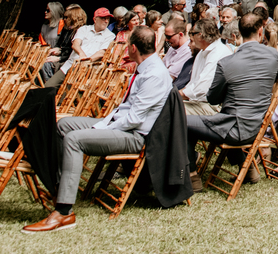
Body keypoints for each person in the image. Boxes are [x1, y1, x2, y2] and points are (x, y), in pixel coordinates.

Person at [22, 26, 172, 234]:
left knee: (74, 139)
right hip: (119, 124)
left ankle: (64, 211)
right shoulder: (145, 66)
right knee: (64, 125)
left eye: (128, 45)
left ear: (133, 48)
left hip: (135, 136)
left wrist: (102, 126)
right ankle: (59, 186)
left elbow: (134, 119)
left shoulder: (154, 74)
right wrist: (103, 123)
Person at [186, 13, 278, 190]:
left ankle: (192, 177)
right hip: (259, 126)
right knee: (223, 119)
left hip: (234, 128)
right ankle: (249, 167)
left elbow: (212, 98)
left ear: (237, 34)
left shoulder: (227, 62)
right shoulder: (273, 55)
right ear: (261, 31)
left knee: (183, 122)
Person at [44, 7, 116, 89]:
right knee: (48, 87)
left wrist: (86, 60)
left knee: (66, 93)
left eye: (108, 19)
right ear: (95, 19)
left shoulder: (110, 35)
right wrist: (81, 54)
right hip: (70, 64)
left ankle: (61, 100)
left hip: (88, 68)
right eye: (103, 18)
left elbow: (102, 52)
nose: (106, 21)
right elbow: (75, 44)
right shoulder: (84, 29)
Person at [180, 19, 233, 115]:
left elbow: (201, 89)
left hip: (216, 107)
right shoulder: (202, 52)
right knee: (168, 105)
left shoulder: (218, 53)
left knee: (173, 109)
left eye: (192, 33)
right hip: (200, 102)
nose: (191, 37)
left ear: (200, 35)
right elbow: (193, 84)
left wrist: (175, 95)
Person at [40, 5, 85, 83]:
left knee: (46, 64)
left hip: (69, 60)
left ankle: (49, 86)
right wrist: (57, 50)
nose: (64, 20)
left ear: (72, 18)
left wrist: (58, 58)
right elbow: (61, 45)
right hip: (62, 56)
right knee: (41, 59)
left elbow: (72, 53)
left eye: (66, 17)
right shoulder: (66, 29)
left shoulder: (80, 32)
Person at [162, 16, 194, 81]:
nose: (166, 40)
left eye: (169, 37)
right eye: (165, 36)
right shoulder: (172, 47)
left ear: (180, 35)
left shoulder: (187, 51)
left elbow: (170, 77)